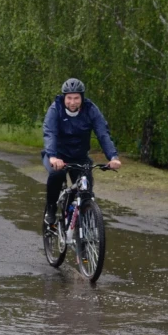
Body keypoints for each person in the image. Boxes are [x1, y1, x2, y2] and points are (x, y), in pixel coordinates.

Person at [42, 78, 121, 226]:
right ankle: (51, 209)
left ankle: (78, 217)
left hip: (79, 156)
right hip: (57, 155)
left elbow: (103, 133)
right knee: (57, 175)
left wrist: (113, 156)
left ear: (82, 98)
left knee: (85, 190)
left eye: (76, 98)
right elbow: (50, 132)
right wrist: (52, 157)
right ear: (64, 98)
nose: (73, 102)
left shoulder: (91, 109)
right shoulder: (56, 109)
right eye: (69, 98)